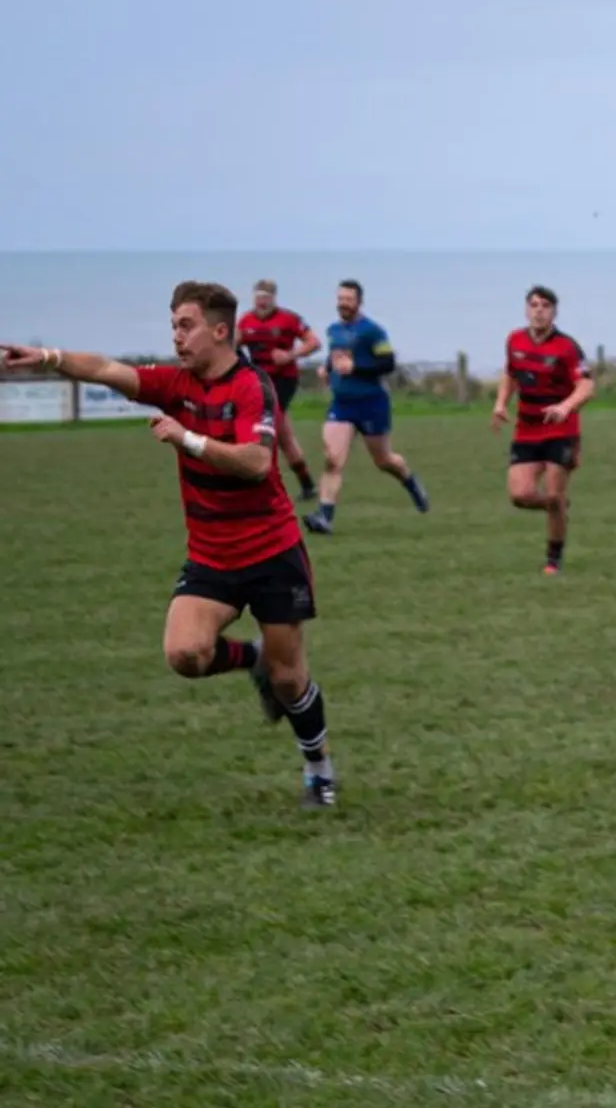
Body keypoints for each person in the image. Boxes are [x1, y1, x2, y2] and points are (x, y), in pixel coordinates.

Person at [2, 282, 339, 807]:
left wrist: (187, 439)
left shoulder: (253, 386)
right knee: (185, 653)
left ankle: (319, 769)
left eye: (186, 325)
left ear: (220, 330)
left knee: (290, 679)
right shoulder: (175, 383)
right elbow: (107, 370)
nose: (176, 337)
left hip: (272, 551)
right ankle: (249, 657)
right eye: (173, 326)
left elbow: (255, 463)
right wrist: (45, 355)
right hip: (212, 554)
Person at [305, 279, 428, 533]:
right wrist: (326, 369)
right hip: (342, 404)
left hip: (372, 403)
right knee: (332, 459)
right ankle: (324, 517)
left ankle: (411, 482)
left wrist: (356, 369)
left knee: (383, 460)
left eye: (348, 300)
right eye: (340, 300)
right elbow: (336, 355)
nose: (343, 304)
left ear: (359, 302)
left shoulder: (373, 331)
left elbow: (388, 363)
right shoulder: (333, 331)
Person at [493, 285, 595, 575]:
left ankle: (553, 559)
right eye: (534, 305)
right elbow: (510, 374)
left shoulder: (567, 347)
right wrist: (501, 403)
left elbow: (587, 385)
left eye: (545, 306)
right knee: (520, 495)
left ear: (554, 312)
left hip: (561, 429)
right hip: (526, 428)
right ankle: (559, 504)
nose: (539, 311)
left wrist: (565, 407)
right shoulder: (514, 340)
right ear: (527, 310)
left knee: (553, 493)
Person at [236, 279, 322, 500]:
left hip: (284, 381)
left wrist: (289, 355)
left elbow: (314, 342)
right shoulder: (245, 321)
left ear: (274, 299)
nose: (262, 301)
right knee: (282, 434)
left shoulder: (289, 319)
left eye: (266, 297)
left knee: (269, 430)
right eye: (259, 297)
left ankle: (264, 485)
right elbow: (231, 345)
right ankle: (307, 485)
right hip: (259, 383)